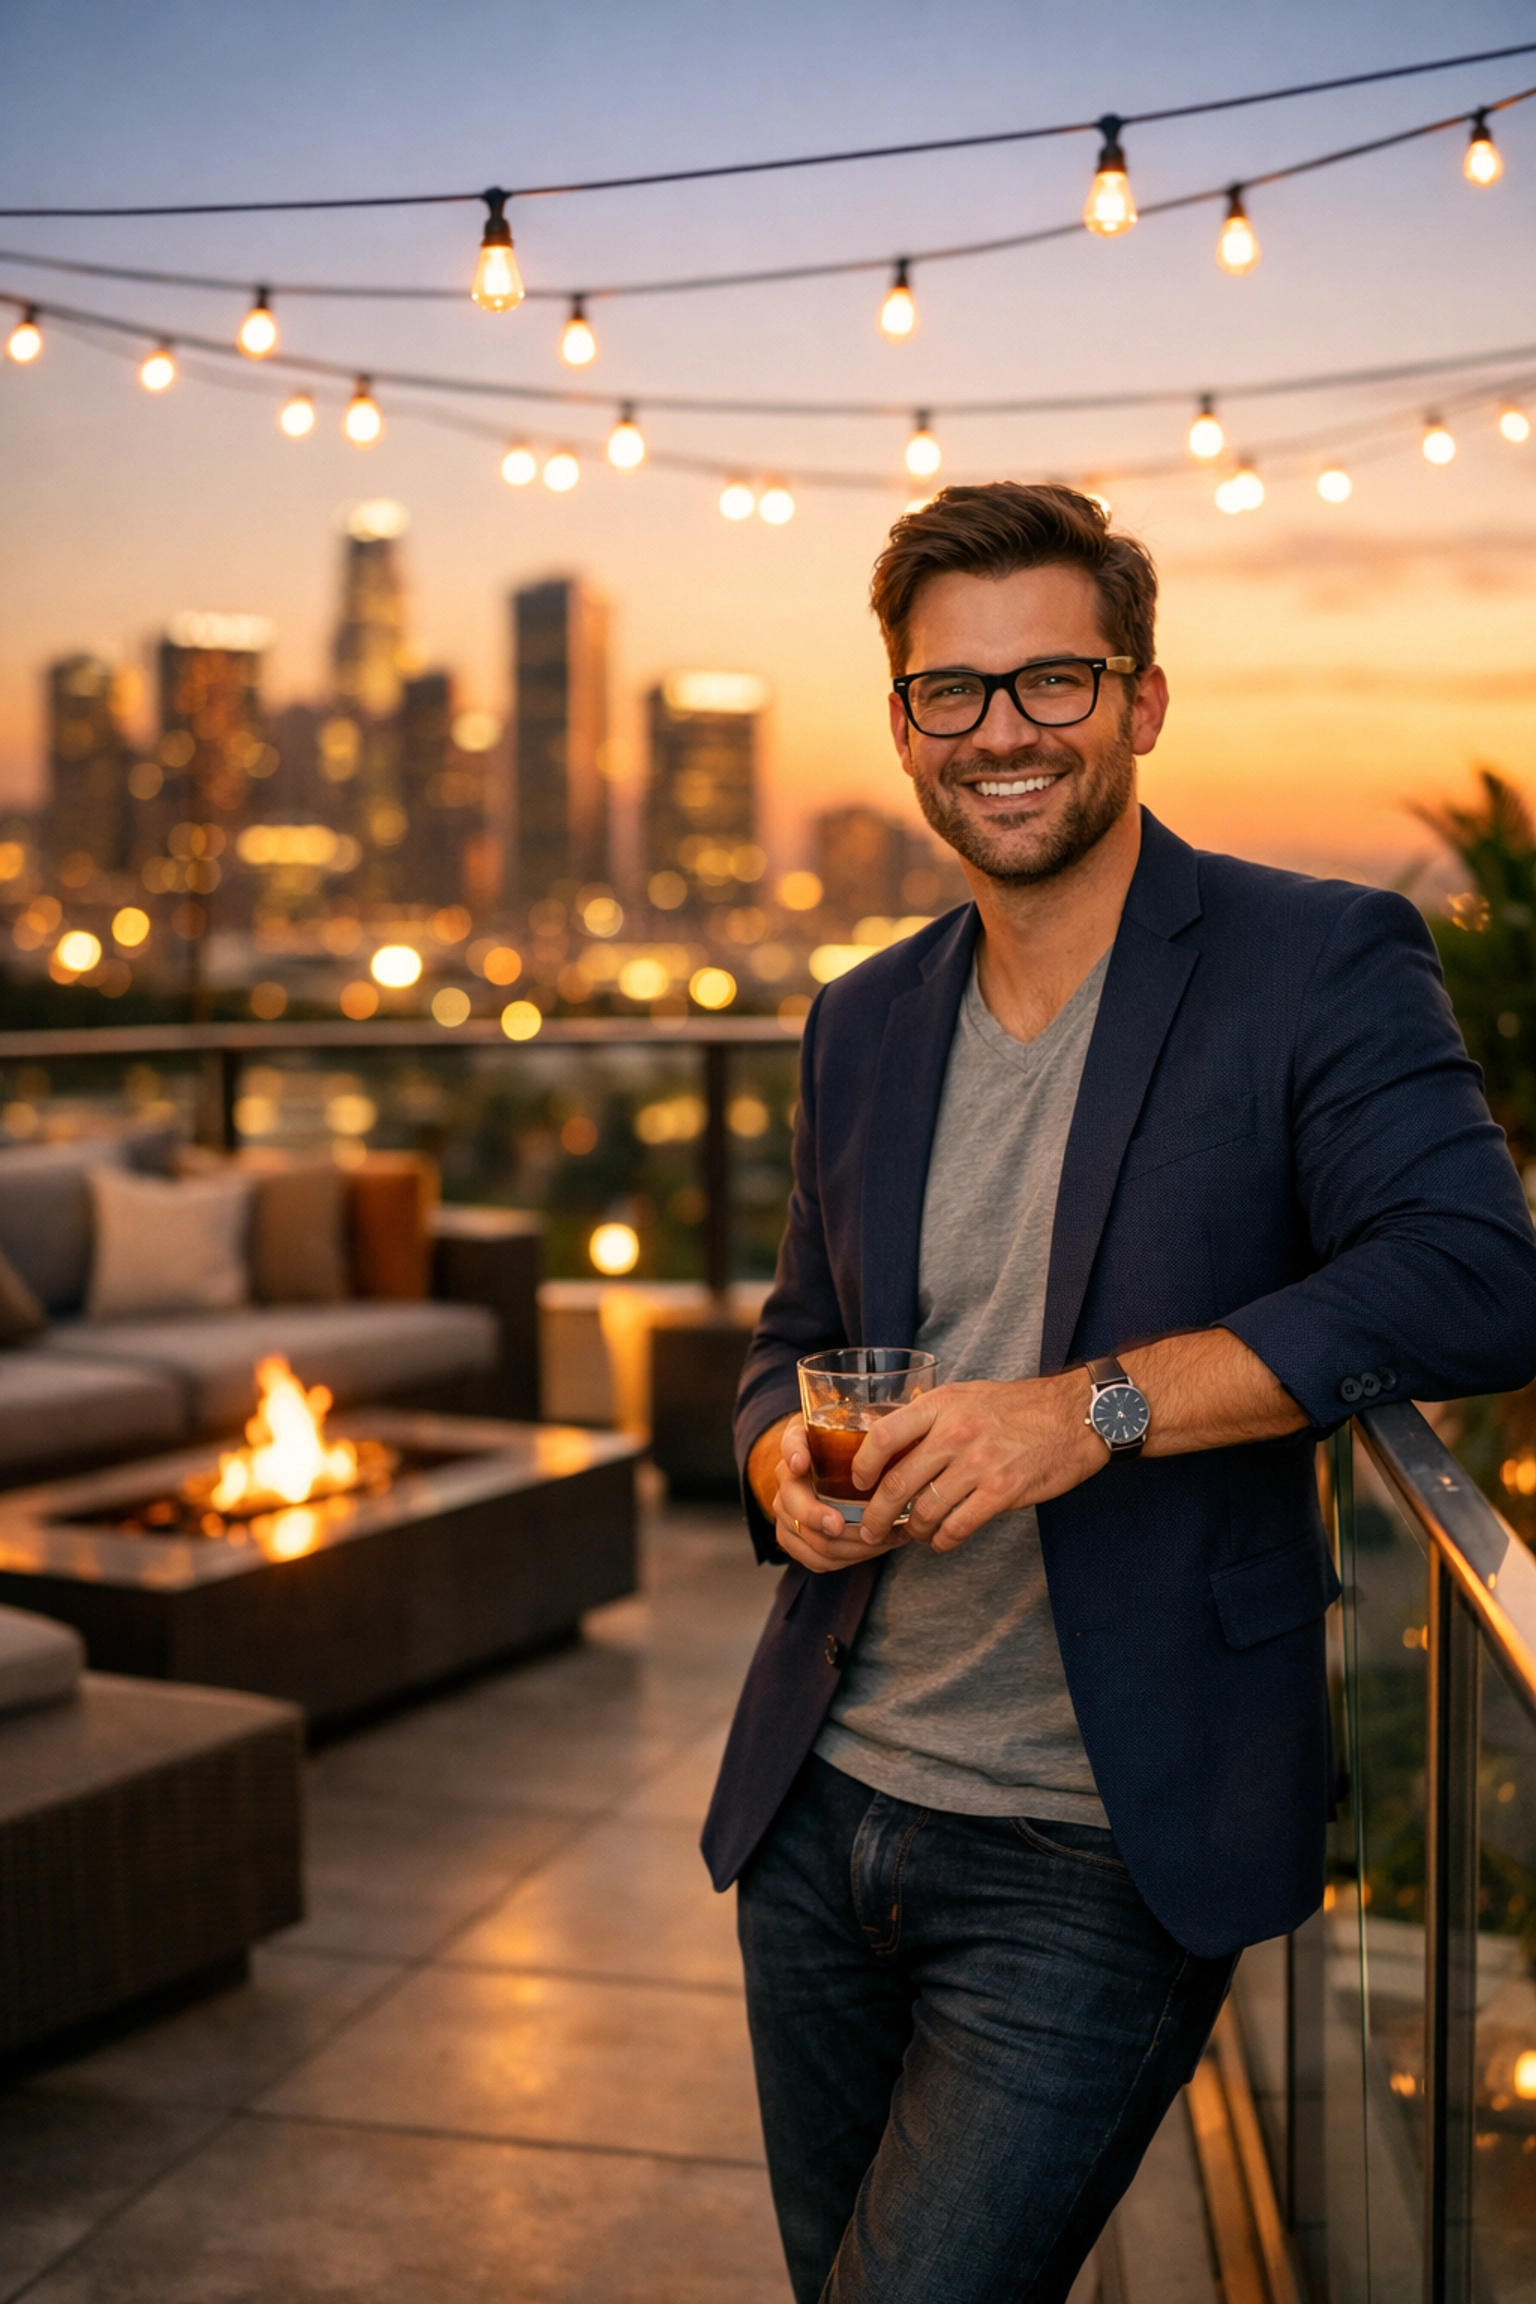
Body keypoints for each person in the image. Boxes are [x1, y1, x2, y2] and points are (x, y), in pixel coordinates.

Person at [700, 482, 1536, 2304]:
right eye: (952, 694)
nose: (1002, 733)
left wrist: (1089, 1410)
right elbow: (791, 1332)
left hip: (1103, 1836)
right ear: (905, 728)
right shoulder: (860, 1018)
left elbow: (1476, 1278)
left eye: (1053, 680)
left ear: (1144, 700)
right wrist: (781, 1460)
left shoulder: (1316, 960)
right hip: (823, 1807)